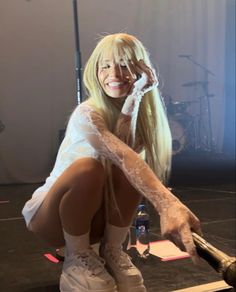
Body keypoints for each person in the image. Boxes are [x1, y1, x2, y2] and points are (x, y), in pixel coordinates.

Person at [22, 33, 202, 292]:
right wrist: (167, 204)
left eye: (124, 65)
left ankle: (111, 251)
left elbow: (124, 159)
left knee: (129, 171)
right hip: (51, 217)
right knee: (89, 168)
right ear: (95, 71)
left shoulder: (138, 117)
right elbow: (120, 155)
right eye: (105, 65)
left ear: (140, 69)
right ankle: (77, 259)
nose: (114, 74)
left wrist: (137, 95)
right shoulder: (87, 112)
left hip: (96, 215)